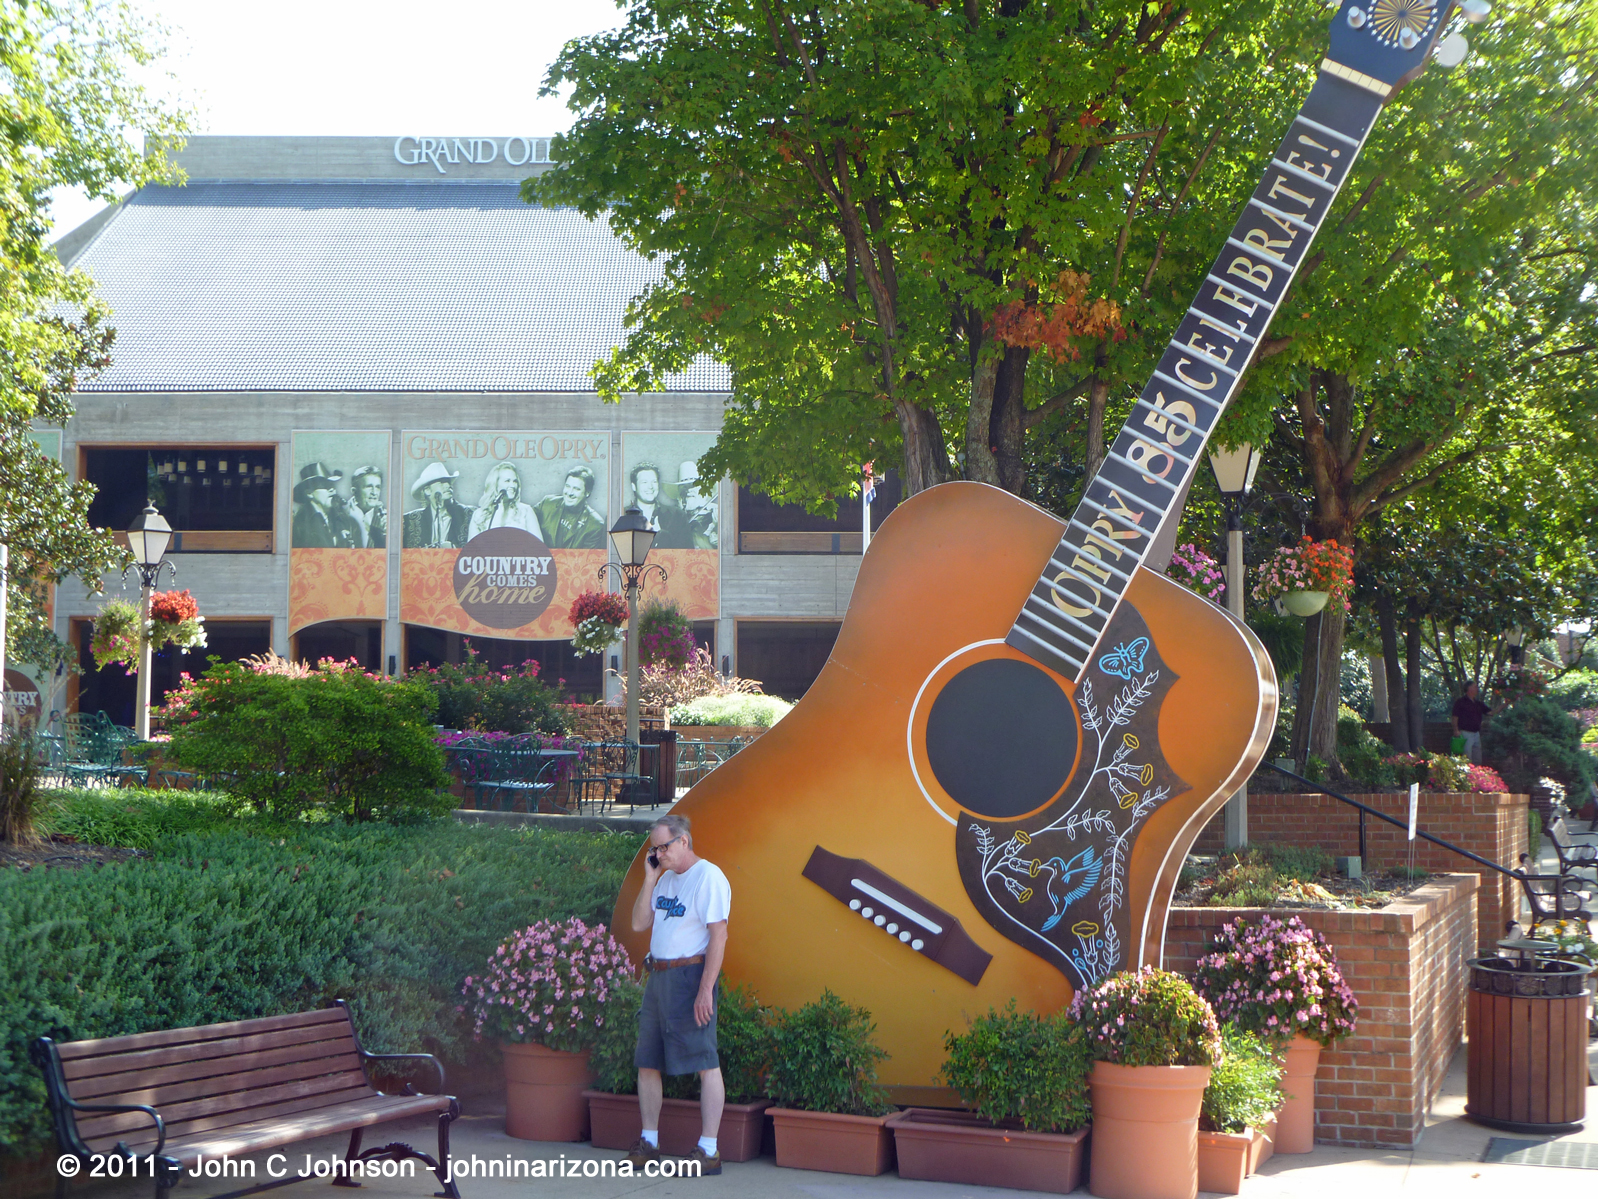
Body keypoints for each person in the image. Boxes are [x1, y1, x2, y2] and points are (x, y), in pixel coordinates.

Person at [628, 813, 730, 1176]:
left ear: (684, 841)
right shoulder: (665, 878)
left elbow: (718, 936)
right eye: (654, 849)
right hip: (658, 976)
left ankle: (709, 1150)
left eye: (663, 847)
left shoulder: (709, 877)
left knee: (705, 1062)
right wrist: (651, 877)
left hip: (689, 976)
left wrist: (705, 990)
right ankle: (650, 1141)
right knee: (648, 1062)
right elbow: (640, 923)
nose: (659, 853)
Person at [401, 461, 472, 548]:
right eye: (441, 482)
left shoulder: (468, 515)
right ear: (427, 491)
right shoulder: (409, 521)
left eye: (448, 482)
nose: (448, 485)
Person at [534, 465, 607, 549]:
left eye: (576, 489)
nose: (570, 493)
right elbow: (523, 520)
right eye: (568, 486)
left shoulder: (595, 525)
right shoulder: (547, 503)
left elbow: (586, 560)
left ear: (587, 492)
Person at [291, 462, 361, 549]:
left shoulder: (349, 523)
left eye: (332, 484)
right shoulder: (298, 526)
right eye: (325, 485)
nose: (332, 489)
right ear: (309, 493)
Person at [630, 460, 694, 549]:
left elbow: (687, 554)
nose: (650, 487)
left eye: (654, 481)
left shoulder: (677, 515)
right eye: (644, 482)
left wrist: (662, 537)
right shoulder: (620, 516)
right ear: (634, 486)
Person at [467, 461, 540, 539]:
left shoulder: (526, 511)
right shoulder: (479, 515)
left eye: (515, 481)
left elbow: (539, 547)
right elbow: (471, 549)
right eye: (507, 481)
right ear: (495, 484)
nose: (513, 485)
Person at [676, 461, 718, 549]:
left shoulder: (715, 515)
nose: (688, 490)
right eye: (684, 486)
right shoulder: (673, 517)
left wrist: (715, 526)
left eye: (693, 485)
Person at [346, 465, 387, 548]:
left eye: (377, 487)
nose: (374, 492)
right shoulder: (340, 513)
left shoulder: (385, 518)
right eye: (369, 487)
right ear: (354, 491)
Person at [1451, 681, 1492, 763]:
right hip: (1465, 732)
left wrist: (1505, 704)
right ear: (1469, 689)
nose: (1477, 689)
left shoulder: (1478, 703)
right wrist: (1456, 730)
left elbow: (1490, 712)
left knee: (1477, 756)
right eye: (1475, 687)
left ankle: (1476, 774)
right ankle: (1466, 774)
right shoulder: (1461, 702)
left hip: (1476, 733)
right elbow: (1455, 716)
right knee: (1467, 756)